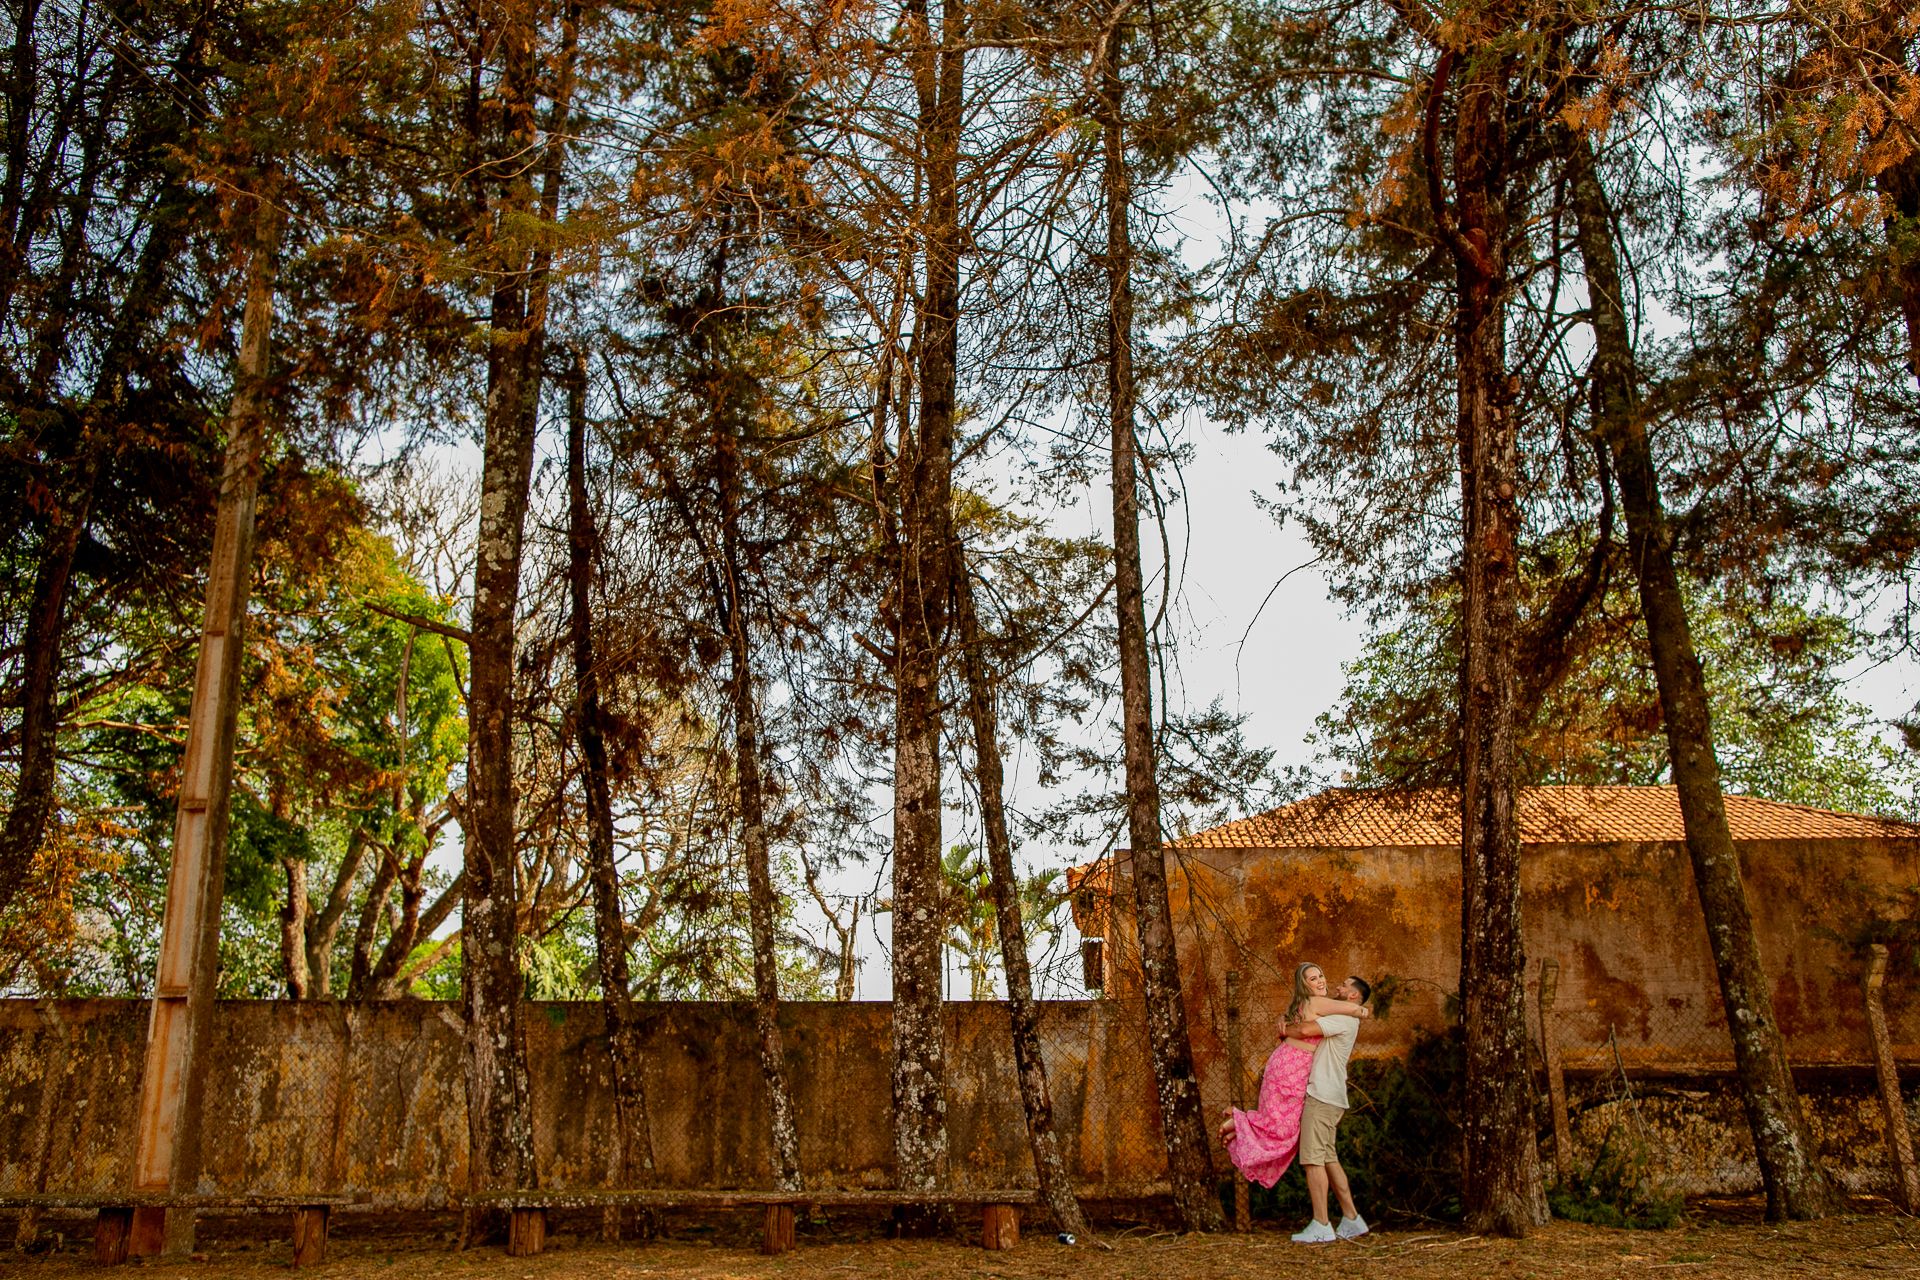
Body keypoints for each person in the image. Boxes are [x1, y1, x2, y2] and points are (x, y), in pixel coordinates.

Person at [1218, 963, 1371, 1189]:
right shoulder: (1318, 1002)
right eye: (1313, 979)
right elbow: (1350, 1009)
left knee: (1282, 1123)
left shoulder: (1304, 1004)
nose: (1321, 981)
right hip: (1292, 1066)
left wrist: (1284, 1023)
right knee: (1283, 1127)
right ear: (1304, 985)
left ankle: (1241, 1127)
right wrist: (1361, 1010)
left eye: (1321, 975)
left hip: (1289, 1062)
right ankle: (1241, 1121)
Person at [1287, 974, 1373, 1244]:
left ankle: (1321, 1223)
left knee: (1312, 1159)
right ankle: (1351, 1218)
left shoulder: (1344, 1019)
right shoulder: (1347, 1017)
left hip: (1322, 1096)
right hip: (1331, 1096)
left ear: (1353, 996)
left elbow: (1303, 1030)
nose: (1338, 987)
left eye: (1344, 986)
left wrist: (1283, 1028)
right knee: (1327, 1157)